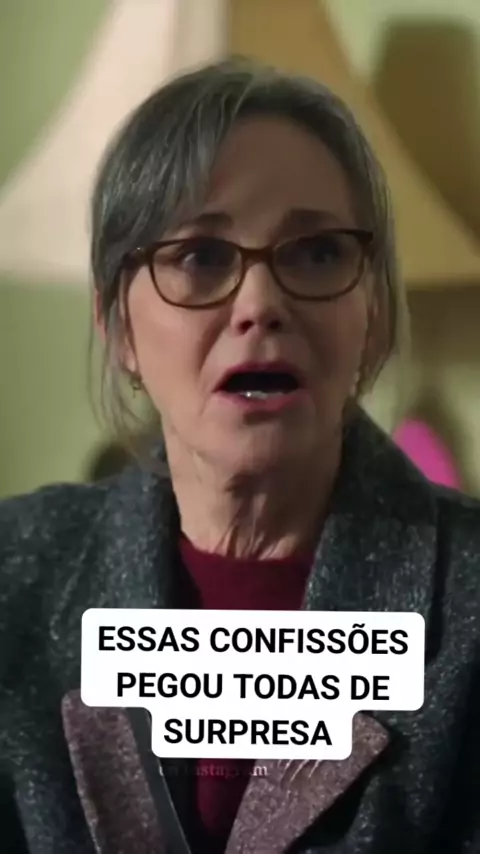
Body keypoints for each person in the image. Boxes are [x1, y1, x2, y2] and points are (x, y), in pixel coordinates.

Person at [1, 58, 479, 854]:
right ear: (118, 325)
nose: (260, 305)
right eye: (200, 257)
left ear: (371, 310)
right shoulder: (15, 573)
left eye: (317, 253)